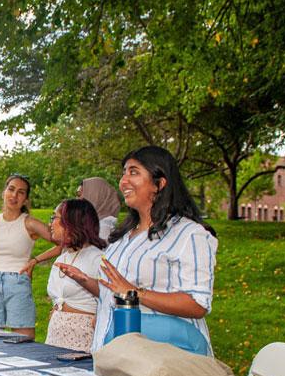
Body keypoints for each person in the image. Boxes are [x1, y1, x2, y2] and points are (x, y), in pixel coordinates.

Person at [68, 146, 218, 356]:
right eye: (124, 173)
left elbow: (197, 303)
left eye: (134, 172)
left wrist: (135, 293)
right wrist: (91, 286)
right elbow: (116, 289)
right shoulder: (122, 236)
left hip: (163, 361)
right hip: (113, 355)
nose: (123, 181)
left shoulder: (189, 234)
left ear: (160, 183)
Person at [0, 174, 57, 340]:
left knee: (23, 339)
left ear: (26, 199)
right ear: (4, 192)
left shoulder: (30, 223)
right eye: (11, 189)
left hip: (18, 281)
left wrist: (35, 261)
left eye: (21, 192)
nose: (14, 195)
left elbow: (63, 243)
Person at [45, 199, 107, 351]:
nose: (50, 223)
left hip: (82, 338)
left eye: (55, 218)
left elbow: (109, 296)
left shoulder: (97, 258)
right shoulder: (62, 258)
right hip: (55, 337)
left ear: (72, 221)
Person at [78, 176, 121, 240]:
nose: (78, 199)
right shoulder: (93, 224)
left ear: (96, 196)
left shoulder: (103, 229)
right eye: (78, 195)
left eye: (81, 194)